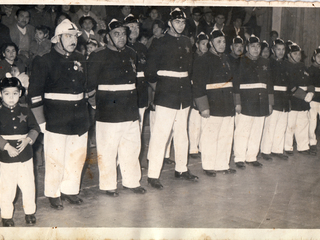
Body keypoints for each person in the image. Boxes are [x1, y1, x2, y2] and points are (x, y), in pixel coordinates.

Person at [28, 19, 90, 210]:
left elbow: (85, 88)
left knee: (77, 156)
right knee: (56, 158)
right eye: (68, 36)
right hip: (55, 118)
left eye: (75, 37)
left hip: (79, 116)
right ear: (57, 39)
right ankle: (53, 193)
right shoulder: (44, 60)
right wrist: (41, 122)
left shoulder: (80, 59)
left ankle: (70, 189)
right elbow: (34, 95)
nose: (73, 40)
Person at [87, 19, 146, 197]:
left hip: (129, 108)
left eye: (124, 34)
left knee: (132, 146)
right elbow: (90, 86)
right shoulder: (98, 55)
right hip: (108, 109)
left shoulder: (131, 53)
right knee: (108, 148)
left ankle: (131, 181)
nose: (121, 37)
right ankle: (108, 184)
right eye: (116, 34)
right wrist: (97, 105)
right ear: (108, 36)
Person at [146, 8, 198, 189]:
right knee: (161, 135)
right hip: (166, 94)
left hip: (183, 93)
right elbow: (150, 73)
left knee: (182, 134)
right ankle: (153, 174)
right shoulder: (159, 42)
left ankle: (182, 168)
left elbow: (189, 69)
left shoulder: (186, 41)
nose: (181, 26)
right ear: (169, 23)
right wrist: (160, 90)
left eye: (183, 22)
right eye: (177, 22)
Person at [192, 29, 236, 176]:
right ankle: (209, 165)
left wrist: (234, 103)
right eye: (218, 41)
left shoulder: (226, 59)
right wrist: (203, 107)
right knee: (210, 136)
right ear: (211, 43)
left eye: (224, 41)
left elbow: (231, 83)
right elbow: (198, 85)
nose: (222, 44)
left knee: (226, 135)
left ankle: (222, 164)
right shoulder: (203, 60)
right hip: (213, 104)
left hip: (227, 104)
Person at [0, 76, 40, 227]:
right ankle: (6, 215)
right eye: (6, 93)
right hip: (6, 155)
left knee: (28, 183)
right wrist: (6, 146)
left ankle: (29, 212)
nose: (11, 97)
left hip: (25, 154)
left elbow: (35, 128)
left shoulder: (25, 110)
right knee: (7, 186)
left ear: (20, 94)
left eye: (15, 93)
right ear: (0, 94)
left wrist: (28, 139)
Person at [233, 34, 273, 169]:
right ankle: (239, 157)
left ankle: (251, 156)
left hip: (261, 101)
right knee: (243, 130)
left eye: (258, 46)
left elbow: (269, 84)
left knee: (257, 130)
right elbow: (236, 84)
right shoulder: (241, 61)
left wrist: (270, 103)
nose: (256, 49)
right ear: (247, 48)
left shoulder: (265, 62)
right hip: (246, 102)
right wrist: (237, 102)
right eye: (253, 46)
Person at [260, 38, 289, 160]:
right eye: (278, 49)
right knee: (270, 125)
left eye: (283, 49)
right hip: (274, 97)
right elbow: (268, 83)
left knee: (281, 125)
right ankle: (265, 150)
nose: (281, 52)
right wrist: (269, 100)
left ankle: (277, 149)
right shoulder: (269, 63)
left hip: (284, 99)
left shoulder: (286, 63)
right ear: (273, 50)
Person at [284, 42, 315, 155]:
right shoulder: (286, 66)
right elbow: (289, 85)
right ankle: (287, 147)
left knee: (303, 123)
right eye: (295, 53)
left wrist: (311, 92)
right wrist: (303, 95)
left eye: (299, 54)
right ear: (289, 55)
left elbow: (311, 81)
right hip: (293, 100)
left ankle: (303, 147)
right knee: (290, 125)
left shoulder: (302, 66)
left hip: (304, 101)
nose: (298, 56)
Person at [124, 14, 149, 132]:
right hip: (125, 92)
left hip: (141, 90)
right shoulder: (121, 48)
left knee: (140, 123)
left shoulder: (143, 48)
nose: (134, 29)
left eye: (137, 27)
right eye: (131, 27)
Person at [188, 32, 209, 158]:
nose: (205, 46)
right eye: (202, 44)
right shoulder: (193, 58)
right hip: (195, 92)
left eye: (207, 44)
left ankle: (202, 146)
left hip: (206, 92)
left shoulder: (209, 58)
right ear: (197, 44)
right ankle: (193, 148)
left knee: (205, 122)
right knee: (194, 122)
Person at [308, 46, 320, 155]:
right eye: (319, 56)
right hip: (313, 99)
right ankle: (312, 143)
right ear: (314, 57)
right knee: (312, 121)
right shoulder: (310, 69)